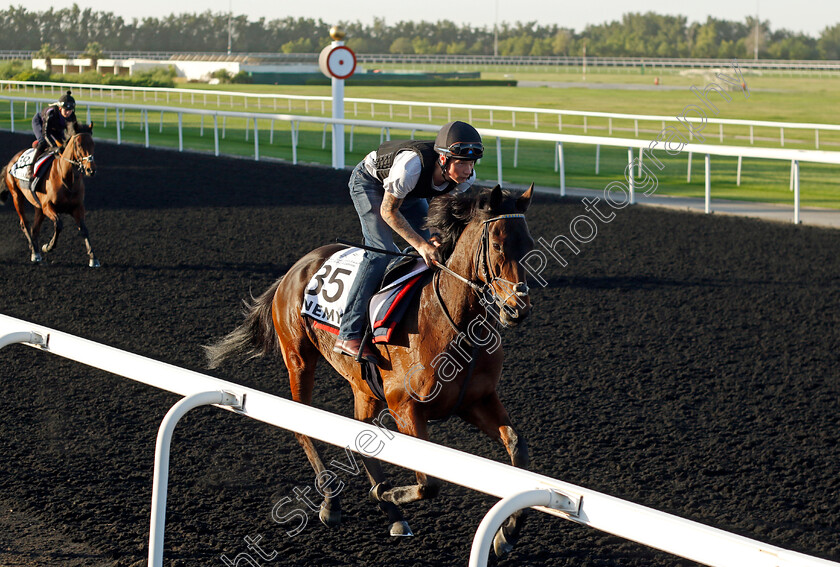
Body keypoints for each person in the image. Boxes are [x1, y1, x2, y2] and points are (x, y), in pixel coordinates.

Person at [333, 120, 484, 364]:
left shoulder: (464, 178)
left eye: (472, 163)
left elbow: (439, 205)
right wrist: (421, 245)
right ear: (443, 160)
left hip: (410, 191)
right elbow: (389, 212)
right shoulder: (410, 168)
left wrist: (432, 238)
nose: (469, 170)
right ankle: (348, 333)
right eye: (463, 162)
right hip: (370, 185)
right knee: (382, 252)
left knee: (437, 249)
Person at [28, 90, 79, 180]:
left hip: (56, 128)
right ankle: (31, 168)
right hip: (40, 123)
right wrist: (55, 147)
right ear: (60, 108)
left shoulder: (72, 116)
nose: (68, 113)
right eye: (66, 110)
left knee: (64, 145)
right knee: (43, 142)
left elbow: (72, 134)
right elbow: (46, 133)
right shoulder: (51, 113)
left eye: (70, 110)